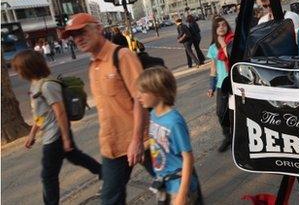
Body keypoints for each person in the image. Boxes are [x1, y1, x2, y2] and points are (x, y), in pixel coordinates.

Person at [61, 13, 148, 205]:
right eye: (73, 36)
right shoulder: (93, 66)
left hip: (142, 140)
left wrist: (137, 140)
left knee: (176, 182)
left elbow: (140, 99)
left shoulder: (122, 56)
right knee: (110, 199)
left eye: (82, 32)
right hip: (113, 146)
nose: (78, 39)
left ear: (99, 29)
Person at [11, 50, 101, 205]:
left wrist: (65, 138)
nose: (17, 72)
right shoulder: (35, 85)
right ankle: (105, 172)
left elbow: (60, 113)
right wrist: (32, 134)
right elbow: (40, 114)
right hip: (53, 134)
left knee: (48, 175)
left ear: (29, 67)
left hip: (55, 135)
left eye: (18, 68)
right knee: (76, 157)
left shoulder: (48, 86)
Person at [137, 67, 200, 205]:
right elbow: (156, 138)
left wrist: (182, 195)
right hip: (164, 183)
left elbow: (188, 158)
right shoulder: (153, 114)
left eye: (143, 91)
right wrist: (142, 147)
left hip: (178, 186)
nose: (138, 96)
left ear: (158, 92)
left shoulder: (173, 122)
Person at [207, 17, 234, 152]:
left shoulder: (232, 41)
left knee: (235, 111)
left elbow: (231, 57)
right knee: (220, 112)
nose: (222, 27)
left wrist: (223, 43)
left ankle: (238, 136)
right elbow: (213, 68)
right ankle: (228, 136)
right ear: (214, 29)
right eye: (218, 26)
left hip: (234, 81)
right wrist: (211, 86)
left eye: (224, 25)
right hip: (221, 84)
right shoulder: (212, 48)